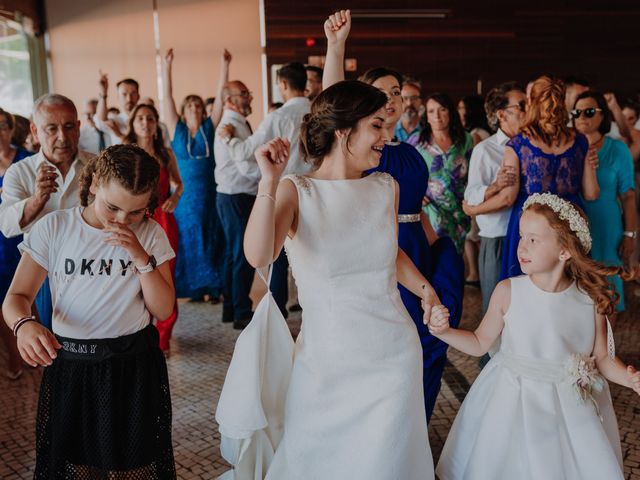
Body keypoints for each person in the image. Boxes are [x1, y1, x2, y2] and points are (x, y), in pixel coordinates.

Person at [227, 80, 439, 479]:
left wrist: (426, 290)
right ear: (344, 131)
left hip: (394, 354)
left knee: (387, 462)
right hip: (327, 359)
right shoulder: (297, 191)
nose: (385, 136)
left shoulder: (385, 187)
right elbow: (258, 255)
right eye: (376, 126)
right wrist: (268, 183)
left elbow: (386, 251)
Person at [430, 193, 640, 480]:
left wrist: (630, 379)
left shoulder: (589, 300)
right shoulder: (508, 291)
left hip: (568, 408)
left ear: (565, 250)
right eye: (521, 237)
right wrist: (444, 332)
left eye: (533, 239)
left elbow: (602, 358)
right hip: (512, 399)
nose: (521, 247)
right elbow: (480, 343)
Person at [322, 9, 464, 423]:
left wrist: (438, 248)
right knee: (389, 342)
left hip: (416, 245)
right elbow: (332, 105)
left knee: (423, 341)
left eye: (398, 91)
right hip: (379, 252)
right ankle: (382, 423)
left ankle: (412, 424)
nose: (393, 98)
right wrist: (336, 45)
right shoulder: (362, 151)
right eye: (383, 92)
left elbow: (416, 210)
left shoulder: (408, 152)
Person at [2, 144, 177, 478]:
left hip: (133, 366)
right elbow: (16, 296)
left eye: (136, 212)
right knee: (80, 467)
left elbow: (164, 308)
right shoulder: (55, 228)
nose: (123, 220)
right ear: (95, 182)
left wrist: (141, 258)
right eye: (113, 207)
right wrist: (24, 325)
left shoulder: (150, 234)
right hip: (74, 367)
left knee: (135, 467)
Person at [463, 76, 599, 280]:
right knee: (569, 284)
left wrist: (471, 209)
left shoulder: (519, 144)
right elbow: (591, 193)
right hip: (570, 223)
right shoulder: (580, 141)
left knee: (526, 289)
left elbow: (508, 197)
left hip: (531, 224)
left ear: (533, 104)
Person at [218, 61, 312, 317]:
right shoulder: (317, 113)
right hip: (316, 191)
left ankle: (278, 314)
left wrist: (228, 139)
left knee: (279, 256)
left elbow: (247, 151)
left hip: (287, 190)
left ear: (282, 84)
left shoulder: (278, 116)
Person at [0, 94, 95, 330]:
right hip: (44, 273)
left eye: (69, 126)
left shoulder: (98, 166)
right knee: (54, 343)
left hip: (95, 268)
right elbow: (7, 226)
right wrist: (37, 199)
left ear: (78, 127)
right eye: (51, 129)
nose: (62, 137)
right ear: (35, 130)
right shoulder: (19, 172)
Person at [162, 48, 228, 301]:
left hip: (209, 194)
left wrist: (224, 65)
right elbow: (166, 96)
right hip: (185, 196)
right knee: (189, 239)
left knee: (211, 237)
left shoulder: (209, 129)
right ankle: (193, 289)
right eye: (189, 105)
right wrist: (167, 66)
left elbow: (221, 99)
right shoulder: (176, 129)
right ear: (183, 109)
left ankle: (213, 288)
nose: (194, 108)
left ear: (202, 109)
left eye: (198, 105)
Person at [124, 103, 183, 354]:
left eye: (150, 118)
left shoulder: (165, 152)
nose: (145, 123)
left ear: (155, 123)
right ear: (133, 122)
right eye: (140, 118)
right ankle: (139, 330)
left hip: (162, 218)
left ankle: (164, 336)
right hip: (134, 219)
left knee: (164, 273)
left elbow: (179, 184)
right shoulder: (126, 152)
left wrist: (174, 198)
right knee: (134, 275)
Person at [573, 91, 636, 319]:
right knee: (576, 285)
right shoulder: (569, 147)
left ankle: (606, 349)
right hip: (575, 222)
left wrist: (630, 234)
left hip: (607, 225)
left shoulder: (618, 149)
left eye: (589, 111)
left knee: (607, 288)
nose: (582, 117)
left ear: (602, 116)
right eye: (577, 112)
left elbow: (628, 196)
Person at [464, 82, 525, 313]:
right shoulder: (486, 150)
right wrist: (495, 186)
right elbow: (471, 195)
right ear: (502, 114)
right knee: (497, 310)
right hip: (498, 237)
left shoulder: (531, 146)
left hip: (527, 237)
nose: (528, 110)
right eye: (521, 105)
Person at [214, 80, 261, 328]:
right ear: (229, 100)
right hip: (236, 196)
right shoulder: (230, 126)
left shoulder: (237, 124)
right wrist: (269, 173)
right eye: (244, 94)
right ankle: (242, 312)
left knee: (234, 255)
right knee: (243, 254)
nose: (249, 97)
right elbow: (246, 168)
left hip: (232, 196)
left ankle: (231, 308)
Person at [416, 92, 474, 254]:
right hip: (431, 211)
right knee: (436, 256)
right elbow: (406, 175)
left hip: (459, 210)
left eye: (442, 110)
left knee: (457, 258)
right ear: (426, 116)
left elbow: (473, 174)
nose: (437, 116)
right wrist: (416, 195)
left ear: (450, 112)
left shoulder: (466, 140)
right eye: (431, 111)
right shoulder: (417, 142)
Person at [0, 107, 32, 379]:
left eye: (2, 125)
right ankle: (13, 355)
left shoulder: (27, 161)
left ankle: (34, 346)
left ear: (11, 129)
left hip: (26, 236)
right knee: (4, 300)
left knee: (30, 294)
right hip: (0, 244)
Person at [395, 78, 424, 146]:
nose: (409, 103)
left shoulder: (428, 130)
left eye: (414, 98)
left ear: (420, 101)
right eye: (405, 98)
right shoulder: (389, 130)